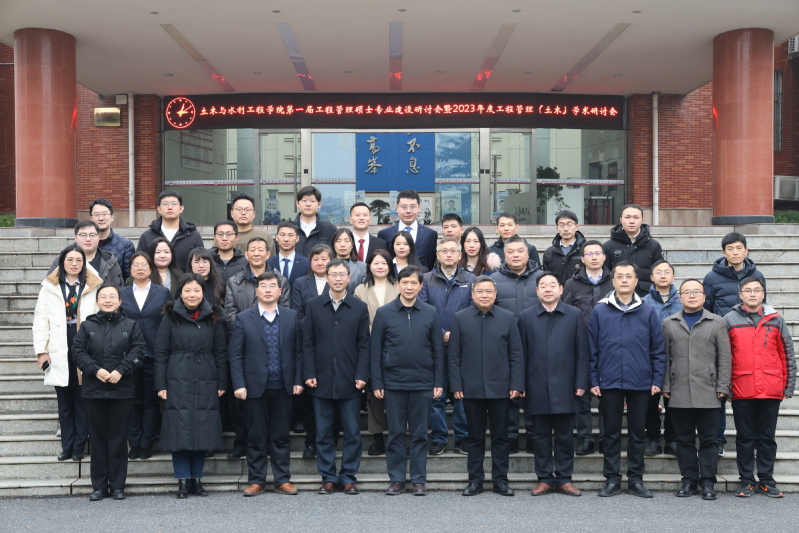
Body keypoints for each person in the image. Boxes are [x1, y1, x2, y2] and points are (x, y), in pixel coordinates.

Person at [588, 261, 666, 498]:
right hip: (609, 380)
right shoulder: (600, 311)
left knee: (637, 433)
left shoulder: (647, 311)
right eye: (619, 276)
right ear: (612, 281)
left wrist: (657, 379)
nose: (624, 280)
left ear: (636, 281)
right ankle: (612, 479)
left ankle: (635, 479)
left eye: (628, 276)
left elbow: (658, 349)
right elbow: (591, 349)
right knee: (610, 433)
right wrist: (593, 379)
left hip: (640, 380)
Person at [228, 272, 303, 497]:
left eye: (272, 286)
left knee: (281, 435)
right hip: (253, 387)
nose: (268, 290)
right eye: (263, 286)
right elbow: (236, 355)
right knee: (256, 435)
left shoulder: (291, 316)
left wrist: (298, 380)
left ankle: (282, 479)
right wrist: (239, 384)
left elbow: (298, 352)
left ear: (280, 291)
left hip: (283, 385)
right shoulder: (244, 318)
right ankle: (256, 480)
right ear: (257, 291)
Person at [370, 267, 444, 495]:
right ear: (398, 284)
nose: (409, 287)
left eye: (414, 283)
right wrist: (377, 382)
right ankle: (397, 479)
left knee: (420, 434)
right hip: (394, 383)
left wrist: (438, 381)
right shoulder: (384, 313)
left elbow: (438, 350)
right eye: (405, 282)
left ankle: (419, 480)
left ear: (420, 286)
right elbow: (375, 350)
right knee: (395, 433)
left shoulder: (431, 312)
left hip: (423, 382)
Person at [449, 276, 523, 497]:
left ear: (495, 294)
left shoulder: (507, 318)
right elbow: (454, 356)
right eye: (480, 291)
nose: (484, 295)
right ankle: (475, 480)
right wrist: (456, 384)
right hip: (470, 388)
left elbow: (516, 355)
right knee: (475, 437)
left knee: (501, 437)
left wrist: (516, 383)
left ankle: (500, 480)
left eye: (489, 291)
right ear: (472, 294)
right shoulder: (460, 318)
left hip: (502, 388)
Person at [154, 274, 228, 499]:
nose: (192, 295)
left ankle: (197, 478)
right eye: (187, 290)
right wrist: (161, 384)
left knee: (202, 428)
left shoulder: (213, 316)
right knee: (180, 430)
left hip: (206, 378)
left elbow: (220, 352)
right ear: (180, 293)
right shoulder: (170, 316)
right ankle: (183, 480)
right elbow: (160, 352)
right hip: (177, 378)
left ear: (203, 292)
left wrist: (222, 381)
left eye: (196, 290)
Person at [302, 260, 371, 495]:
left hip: (350, 380)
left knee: (352, 433)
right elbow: (307, 342)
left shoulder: (359, 307)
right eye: (333, 274)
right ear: (327, 277)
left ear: (349, 278)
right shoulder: (313, 305)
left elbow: (364, 345)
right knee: (323, 433)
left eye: (342, 274)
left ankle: (348, 476)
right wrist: (309, 373)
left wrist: (362, 374)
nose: (338, 278)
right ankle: (328, 477)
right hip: (320, 380)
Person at [72, 285, 146, 501]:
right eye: (103, 297)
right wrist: (96, 370)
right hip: (94, 391)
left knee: (118, 438)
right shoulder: (87, 326)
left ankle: (117, 485)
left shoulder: (130, 325)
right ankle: (99, 486)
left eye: (112, 296)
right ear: (97, 302)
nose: (107, 300)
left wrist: (121, 370)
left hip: (122, 391)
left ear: (120, 301)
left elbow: (138, 351)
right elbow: (77, 352)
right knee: (96, 439)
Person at [724, 277, 796, 498]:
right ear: (741, 295)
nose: (753, 294)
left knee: (767, 437)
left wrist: (788, 385)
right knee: (744, 437)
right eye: (748, 290)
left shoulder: (776, 319)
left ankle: (766, 480)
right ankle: (746, 480)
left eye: (757, 290)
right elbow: (724, 356)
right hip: (741, 387)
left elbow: (787, 353)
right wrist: (726, 386)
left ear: (763, 294)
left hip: (770, 387)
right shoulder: (729, 319)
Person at [661, 279, 731, 500]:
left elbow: (725, 358)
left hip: (709, 390)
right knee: (684, 440)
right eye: (687, 292)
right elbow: (663, 358)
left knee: (709, 440)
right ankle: (689, 480)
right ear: (680, 297)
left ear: (704, 296)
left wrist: (723, 385)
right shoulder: (669, 323)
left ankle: (708, 482)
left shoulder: (717, 322)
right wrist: (665, 384)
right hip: (679, 390)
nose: (692, 295)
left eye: (696, 292)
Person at [521, 272, 589, 497]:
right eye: (543, 286)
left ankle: (564, 478)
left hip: (566, 385)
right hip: (536, 384)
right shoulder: (526, 317)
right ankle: (544, 479)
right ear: (537, 291)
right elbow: (519, 354)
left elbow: (582, 351)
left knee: (565, 436)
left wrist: (581, 381)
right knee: (539, 436)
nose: (548, 289)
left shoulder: (574, 315)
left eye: (552, 285)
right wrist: (521, 384)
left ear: (561, 289)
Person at [224, 237, 291, 458]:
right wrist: (251, 327)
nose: (256, 253)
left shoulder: (280, 280)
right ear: (246, 254)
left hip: (274, 351)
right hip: (245, 345)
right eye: (252, 250)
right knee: (243, 407)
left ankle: (273, 451)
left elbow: (285, 311)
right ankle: (242, 444)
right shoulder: (234, 281)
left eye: (260, 249)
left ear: (268, 253)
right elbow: (229, 312)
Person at [33, 245, 101, 462]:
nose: (74, 264)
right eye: (70, 259)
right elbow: (40, 319)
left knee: (82, 397)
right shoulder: (50, 287)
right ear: (62, 262)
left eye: (78, 260)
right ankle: (67, 446)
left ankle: (79, 446)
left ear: (84, 263)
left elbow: (99, 317)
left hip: (84, 343)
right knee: (64, 399)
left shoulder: (93, 285)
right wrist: (41, 351)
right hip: (58, 343)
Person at [703, 232, 768, 456]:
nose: (735, 252)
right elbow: (708, 309)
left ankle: (756, 438)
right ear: (723, 252)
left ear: (746, 250)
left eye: (739, 248)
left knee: (754, 390)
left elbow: (763, 308)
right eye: (730, 249)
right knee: (720, 392)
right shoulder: (712, 278)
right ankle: (718, 438)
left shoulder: (757, 275)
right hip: (722, 341)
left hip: (750, 342)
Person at [419, 238, 472, 456]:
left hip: (463, 347)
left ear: (460, 255)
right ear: (437, 255)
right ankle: (439, 438)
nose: (448, 254)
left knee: (461, 394)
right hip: (433, 347)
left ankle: (462, 438)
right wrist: (441, 334)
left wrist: (455, 335)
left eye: (453, 251)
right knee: (436, 395)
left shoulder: (471, 280)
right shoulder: (425, 280)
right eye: (444, 251)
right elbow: (423, 310)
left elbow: (473, 311)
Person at [491, 236, 543, 453]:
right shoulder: (493, 280)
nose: (515, 255)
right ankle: (510, 437)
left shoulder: (542, 278)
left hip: (537, 345)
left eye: (520, 251)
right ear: (504, 255)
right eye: (510, 251)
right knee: (508, 393)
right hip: (504, 347)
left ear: (527, 253)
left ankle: (534, 436)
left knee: (535, 391)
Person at [121, 252, 173, 461]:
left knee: (151, 401)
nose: (140, 268)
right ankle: (134, 443)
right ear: (130, 269)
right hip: (128, 355)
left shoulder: (162, 292)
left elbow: (169, 322)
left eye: (144, 264)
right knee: (133, 401)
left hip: (154, 354)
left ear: (151, 269)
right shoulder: (122, 293)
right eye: (136, 265)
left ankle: (147, 444)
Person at [563, 240, 613, 456]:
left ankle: (606, 437)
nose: (594, 257)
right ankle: (585, 438)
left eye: (597, 253)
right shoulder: (571, 284)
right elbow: (566, 314)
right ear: (582, 259)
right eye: (589, 254)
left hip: (609, 346)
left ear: (604, 257)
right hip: (580, 346)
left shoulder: (614, 282)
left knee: (607, 395)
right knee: (581, 394)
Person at [353, 249, 399, 456]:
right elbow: (359, 320)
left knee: (397, 395)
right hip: (370, 346)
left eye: (384, 263)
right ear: (369, 266)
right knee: (375, 394)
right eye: (375, 263)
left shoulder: (399, 286)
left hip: (397, 346)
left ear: (390, 266)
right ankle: (377, 437)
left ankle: (398, 437)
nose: (380, 266)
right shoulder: (360, 289)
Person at [290, 244, 334, 459]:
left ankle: (329, 441)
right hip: (306, 345)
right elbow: (297, 314)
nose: (320, 262)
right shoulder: (301, 283)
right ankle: (311, 442)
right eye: (316, 259)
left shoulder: (336, 281)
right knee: (309, 399)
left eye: (324, 258)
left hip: (332, 347)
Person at [642, 259, 682, 457]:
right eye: (659, 272)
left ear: (673, 276)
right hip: (650, 360)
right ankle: (653, 439)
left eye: (667, 272)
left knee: (673, 402)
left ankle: (672, 439)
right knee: (650, 403)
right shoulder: (643, 303)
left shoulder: (683, 301)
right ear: (652, 277)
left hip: (677, 360)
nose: (663, 275)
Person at [602, 203, 664, 296]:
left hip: (646, 296)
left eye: (636, 217)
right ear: (621, 220)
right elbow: (605, 274)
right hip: (617, 296)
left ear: (642, 220)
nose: (631, 221)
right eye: (627, 217)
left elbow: (659, 271)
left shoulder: (653, 245)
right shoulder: (608, 246)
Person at [137, 191, 204, 272]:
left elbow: (200, 264)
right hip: (155, 279)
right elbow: (140, 262)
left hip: (185, 279)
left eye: (174, 204)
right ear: (159, 209)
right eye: (165, 204)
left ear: (181, 208)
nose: (169, 207)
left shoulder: (193, 236)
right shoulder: (147, 236)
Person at [48, 220, 124, 288]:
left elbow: (118, 290)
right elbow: (49, 287)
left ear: (98, 237)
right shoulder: (61, 260)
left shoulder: (110, 261)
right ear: (75, 237)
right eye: (83, 235)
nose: (88, 239)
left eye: (92, 235)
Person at [377, 189, 439, 271]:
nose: (408, 211)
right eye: (404, 207)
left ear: (419, 207)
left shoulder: (430, 234)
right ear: (397, 207)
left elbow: (430, 263)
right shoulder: (384, 234)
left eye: (413, 207)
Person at [90, 199, 135, 280]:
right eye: (96, 215)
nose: (101, 218)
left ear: (112, 217)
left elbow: (128, 277)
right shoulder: (81, 244)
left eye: (104, 214)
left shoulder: (126, 245)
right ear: (91, 218)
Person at [542, 210, 585, 283]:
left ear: (576, 227)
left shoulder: (585, 251)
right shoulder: (549, 253)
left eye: (569, 224)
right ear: (557, 228)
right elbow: (546, 278)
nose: (565, 229)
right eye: (561, 225)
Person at [294, 186, 337, 257]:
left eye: (312, 201)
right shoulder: (290, 229)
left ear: (319, 204)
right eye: (304, 200)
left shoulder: (330, 229)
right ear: (297, 203)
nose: (308, 204)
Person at [268, 221, 310, 289]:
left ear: (297, 238)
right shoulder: (268, 263)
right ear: (277, 238)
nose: (286, 239)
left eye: (290, 235)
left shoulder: (306, 263)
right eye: (282, 235)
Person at [211, 220, 248, 284]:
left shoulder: (245, 262)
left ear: (236, 237)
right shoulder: (207, 260)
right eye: (220, 234)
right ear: (215, 238)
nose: (224, 238)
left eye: (229, 234)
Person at [331, 228, 368, 293]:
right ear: (333, 244)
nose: (342, 245)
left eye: (347, 241)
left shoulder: (363, 267)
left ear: (352, 244)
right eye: (338, 241)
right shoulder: (327, 265)